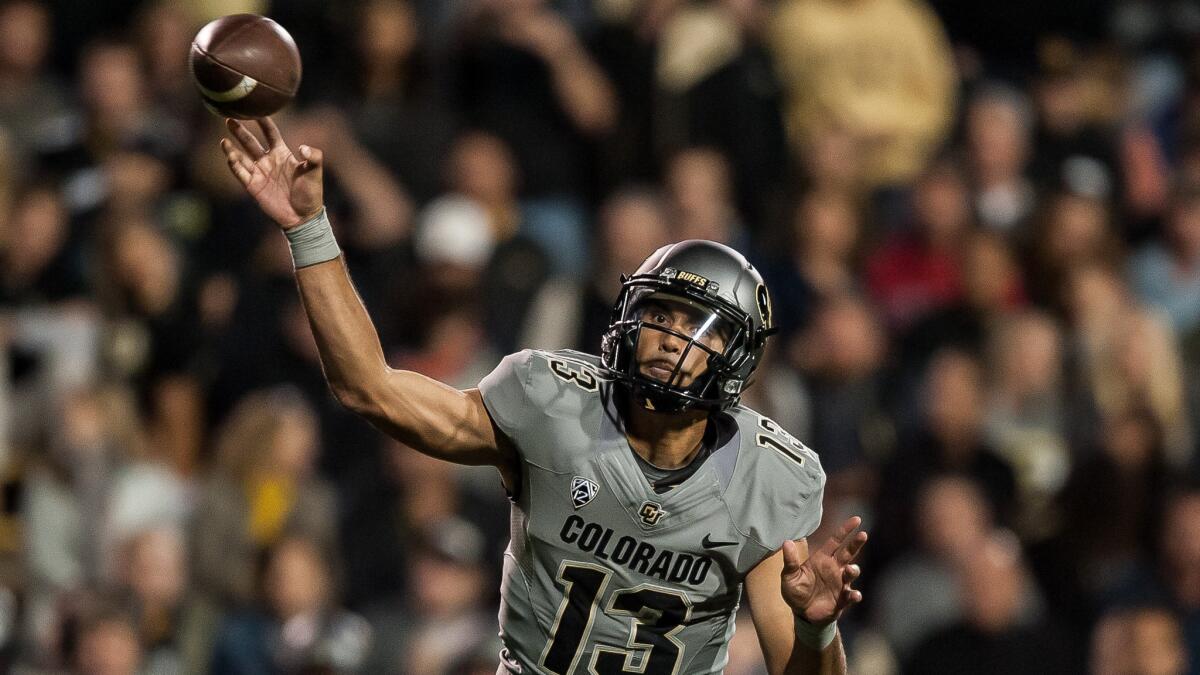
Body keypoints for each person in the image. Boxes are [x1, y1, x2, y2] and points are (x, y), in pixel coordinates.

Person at [218, 116, 868, 674]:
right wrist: (309, 228)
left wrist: (815, 629)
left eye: (699, 329)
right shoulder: (554, 403)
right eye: (662, 315)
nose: (673, 338)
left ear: (738, 357)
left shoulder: (765, 476)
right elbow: (369, 388)